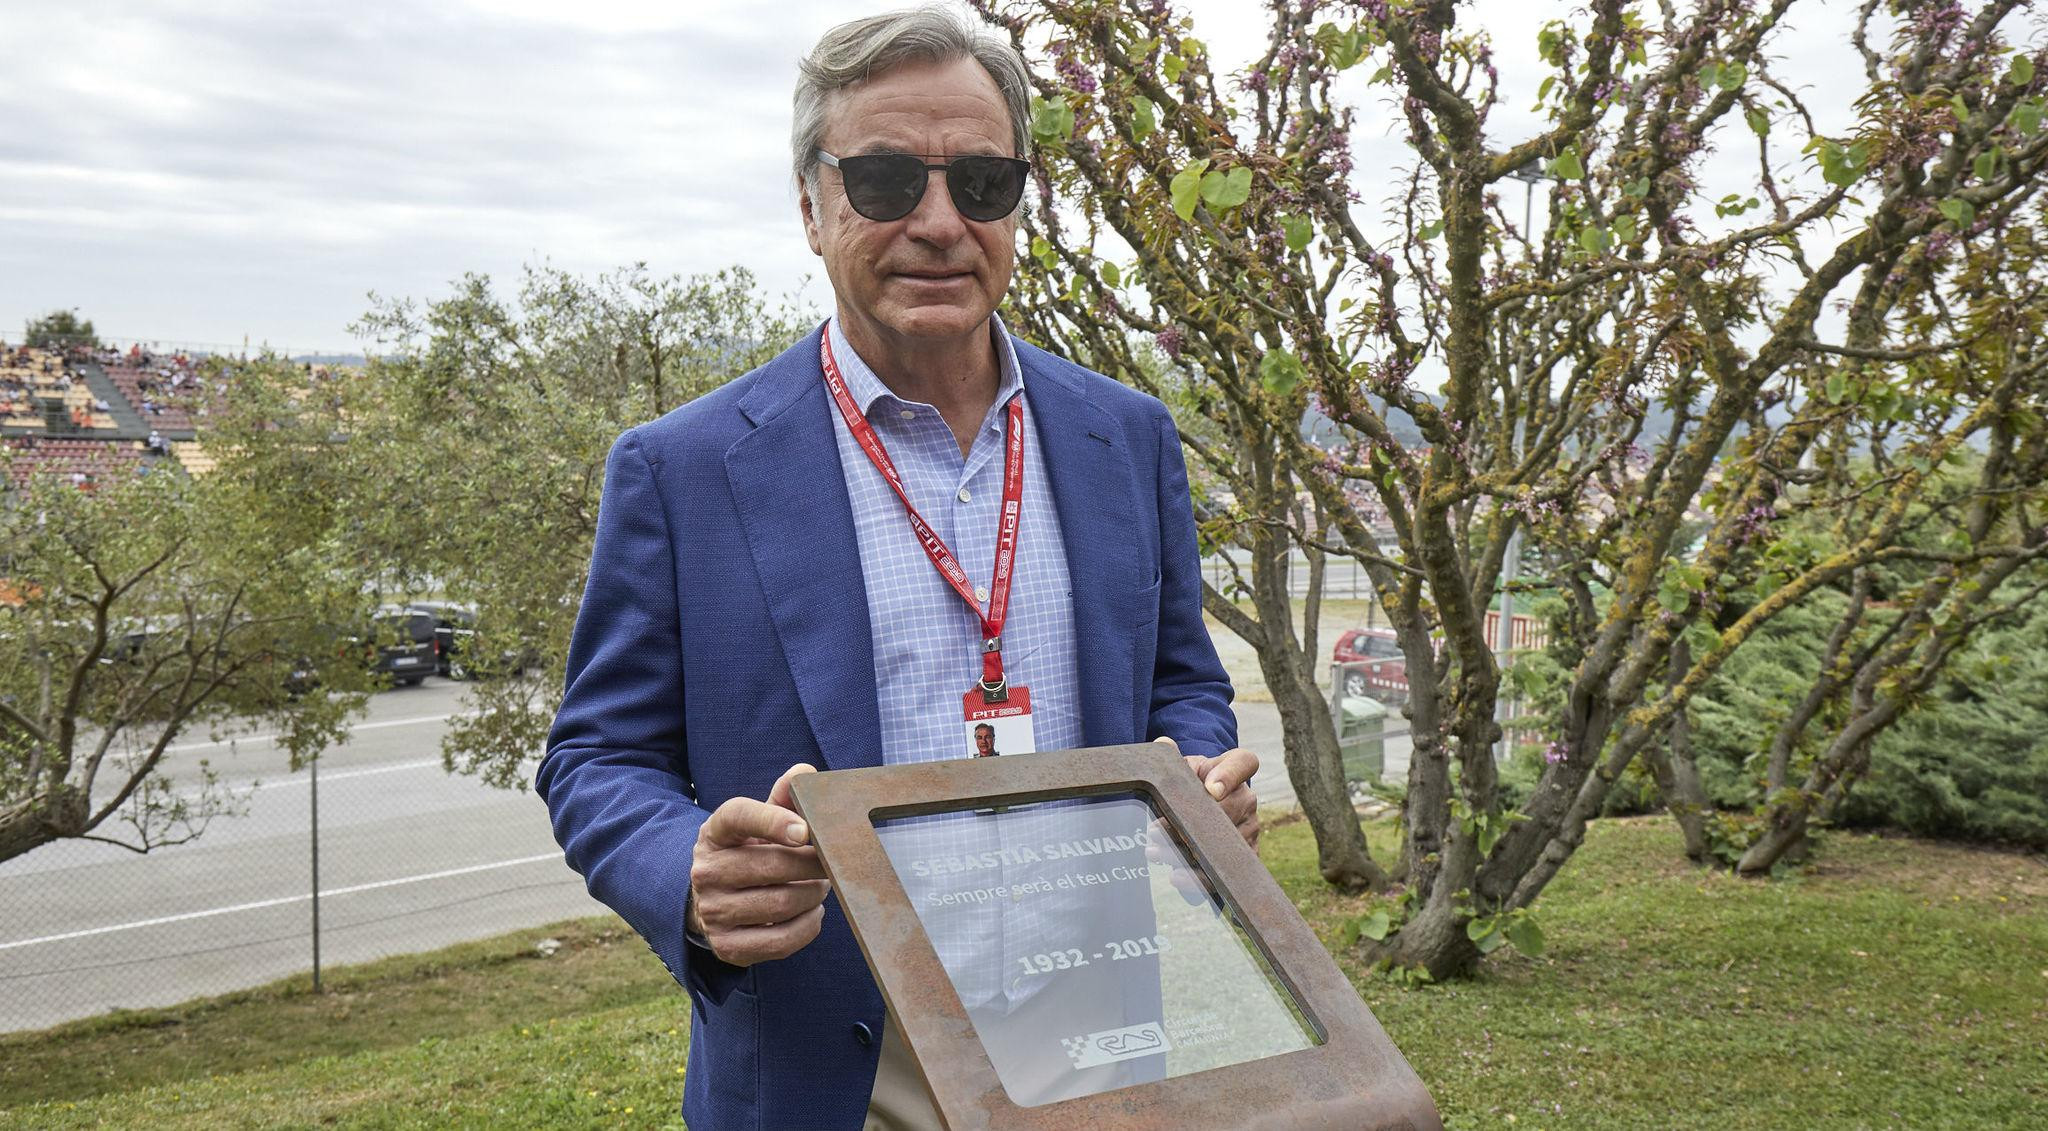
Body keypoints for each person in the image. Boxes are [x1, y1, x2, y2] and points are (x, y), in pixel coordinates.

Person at [536, 8, 1258, 1130]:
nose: (938, 223)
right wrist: (686, 870)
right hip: (841, 1076)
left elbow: (1180, 681)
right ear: (812, 209)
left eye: (980, 181)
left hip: (1104, 1051)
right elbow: (598, 756)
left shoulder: (1128, 437)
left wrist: (1195, 776)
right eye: (882, 181)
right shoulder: (682, 469)